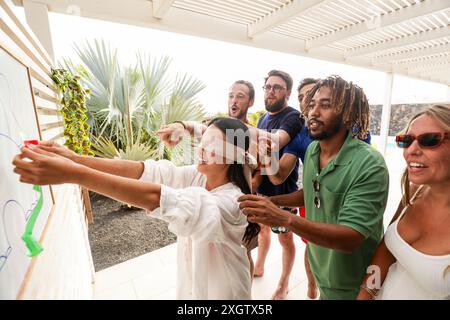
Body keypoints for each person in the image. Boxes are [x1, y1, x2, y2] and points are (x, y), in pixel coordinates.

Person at [12, 117, 259, 300]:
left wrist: (73, 173)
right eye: (203, 142)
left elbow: (160, 198)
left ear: (231, 156)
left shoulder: (232, 202)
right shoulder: (198, 175)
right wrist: (74, 158)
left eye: (213, 146)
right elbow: (146, 171)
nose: (203, 149)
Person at [239, 75, 389, 300]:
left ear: (348, 114)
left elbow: (351, 237)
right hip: (324, 277)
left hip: (356, 286)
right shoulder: (312, 151)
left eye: (325, 105)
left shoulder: (369, 163)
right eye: (311, 104)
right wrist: (274, 202)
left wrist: (283, 218)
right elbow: (312, 192)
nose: (313, 112)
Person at [156, 80, 261, 277]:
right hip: (213, 203)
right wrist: (179, 126)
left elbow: (264, 174)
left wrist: (240, 192)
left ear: (251, 101)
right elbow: (197, 129)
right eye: (231, 95)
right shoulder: (219, 128)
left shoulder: (257, 135)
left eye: (240, 96)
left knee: (242, 254)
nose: (234, 101)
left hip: (238, 206)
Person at [357, 104, 450, 300]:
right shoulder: (415, 191)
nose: (411, 151)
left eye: (430, 140)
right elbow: (385, 252)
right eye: (406, 140)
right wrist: (366, 293)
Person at [254, 70, 303, 300]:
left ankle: (283, 284)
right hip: (263, 188)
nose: (271, 91)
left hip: (283, 192)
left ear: (288, 93)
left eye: (277, 87)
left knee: (284, 238)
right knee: (263, 229)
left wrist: (231, 129)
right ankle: (260, 266)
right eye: (268, 86)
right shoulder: (263, 118)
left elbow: (274, 141)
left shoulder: (293, 117)